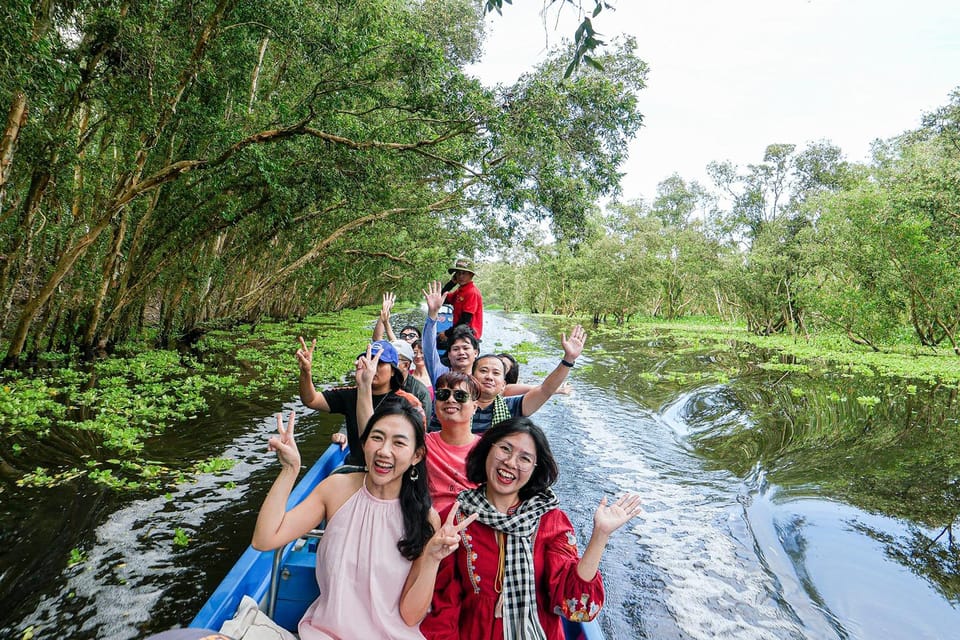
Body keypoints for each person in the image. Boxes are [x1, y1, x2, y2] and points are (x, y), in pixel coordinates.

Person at [251, 402, 474, 639]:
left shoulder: (424, 518)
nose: (384, 451)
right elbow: (264, 540)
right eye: (377, 438)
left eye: (398, 443)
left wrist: (432, 558)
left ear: (416, 456)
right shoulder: (337, 489)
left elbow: (410, 616)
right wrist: (289, 470)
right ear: (364, 442)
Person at [420, 418, 643, 640]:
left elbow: (577, 607)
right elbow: (443, 605)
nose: (510, 462)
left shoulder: (550, 521)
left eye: (524, 458)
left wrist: (600, 535)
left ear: (535, 470)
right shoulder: (455, 519)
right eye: (505, 449)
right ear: (487, 449)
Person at [427, 325, 587, 433]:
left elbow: (545, 390)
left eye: (496, 373)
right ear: (472, 377)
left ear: (503, 385)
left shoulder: (512, 408)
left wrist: (568, 359)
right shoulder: (452, 404)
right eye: (483, 371)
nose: (489, 376)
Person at [297, 337, 408, 467]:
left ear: (393, 371)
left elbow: (372, 440)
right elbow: (311, 400)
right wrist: (306, 372)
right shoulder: (351, 394)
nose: (372, 367)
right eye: (368, 361)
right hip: (355, 467)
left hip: (385, 469)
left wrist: (364, 385)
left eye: (379, 363)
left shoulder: (404, 403)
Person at [423, 371, 482, 512]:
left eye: (460, 396)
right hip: (430, 523)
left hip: (475, 523)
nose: (450, 400)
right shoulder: (422, 444)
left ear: (474, 407)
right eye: (443, 394)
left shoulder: (486, 450)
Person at [421, 280, 480, 385]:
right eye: (456, 349)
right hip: (455, 329)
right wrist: (433, 314)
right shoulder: (440, 374)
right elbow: (429, 348)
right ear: (449, 354)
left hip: (466, 329)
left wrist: (448, 333)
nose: (461, 352)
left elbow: (466, 318)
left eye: (466, 348)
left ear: (476, 352)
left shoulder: (482, 382)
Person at [439, 257, 483, 341]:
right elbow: (442, 298)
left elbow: (465, 320)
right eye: (458, 273)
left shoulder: (471, 292)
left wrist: (447, 333)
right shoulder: (460, 291)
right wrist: (451, 283)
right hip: (460, 332)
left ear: (471, 275)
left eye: (464, 273)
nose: (460, 276)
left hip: (468, 336)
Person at [392, 339, 433, 425]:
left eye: (394, 360)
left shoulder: (421, 392)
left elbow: (423, 426)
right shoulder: (381, 385)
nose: (389, 363)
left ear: (406, 365)